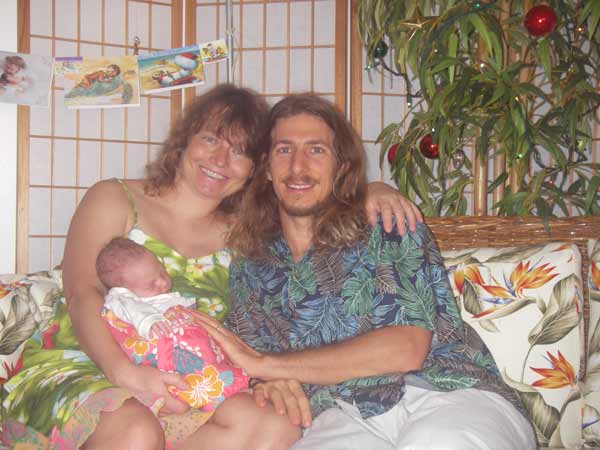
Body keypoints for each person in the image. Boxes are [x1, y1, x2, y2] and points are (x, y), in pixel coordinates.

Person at [1, 84, 422, 450]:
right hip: (88, 362)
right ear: (184, 141)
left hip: (190, 379)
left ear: (256, 169)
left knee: (278, 425)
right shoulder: (116, 199)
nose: (221, 160)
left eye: (240, 152)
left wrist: (374, 189)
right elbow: (81, 293)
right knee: (135, 431)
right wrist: (125, 373)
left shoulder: (248, 230)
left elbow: (314, 199)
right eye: (210, 140)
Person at [192, 93, 537, 450]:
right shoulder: (251, 265)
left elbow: (405, 349)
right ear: (265, 168)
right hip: (342, 416)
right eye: (284, 150)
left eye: (316, 150)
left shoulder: (386, 224)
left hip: (448, 393)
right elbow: (253, 365)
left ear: (341, 167)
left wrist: (269, 365)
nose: (297, 167)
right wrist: (264, 378)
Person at [96, 237, 249, 410]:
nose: (162, 282)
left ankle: (222, 378)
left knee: (209, 352)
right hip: (161, 344)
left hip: (184, 333)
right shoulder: (121, 298)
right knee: (190, 367)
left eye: (161, 272)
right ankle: (210, 389)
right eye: (151, 284)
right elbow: (132, 309)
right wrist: (149, 321)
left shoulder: (156, 294)